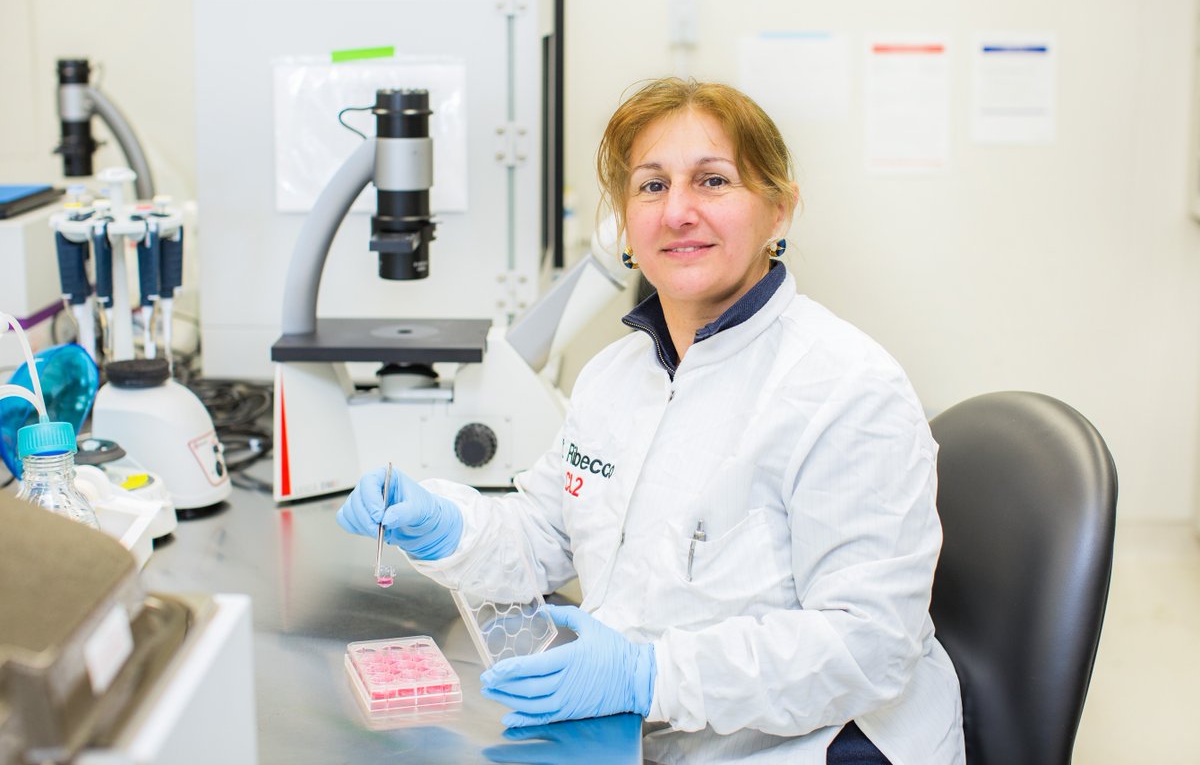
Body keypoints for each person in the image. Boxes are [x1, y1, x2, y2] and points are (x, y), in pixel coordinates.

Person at [337, 77, 965, 764]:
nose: (678, 212)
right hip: (650, 733)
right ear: (625, 222)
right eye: (652, 186)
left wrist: (647, 676)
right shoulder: (615, 376)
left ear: (779, 211)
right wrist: (445, 524)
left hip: (812, 746)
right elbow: (545, 534)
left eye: (713, 181)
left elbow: (866, 645)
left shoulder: (849, 390)